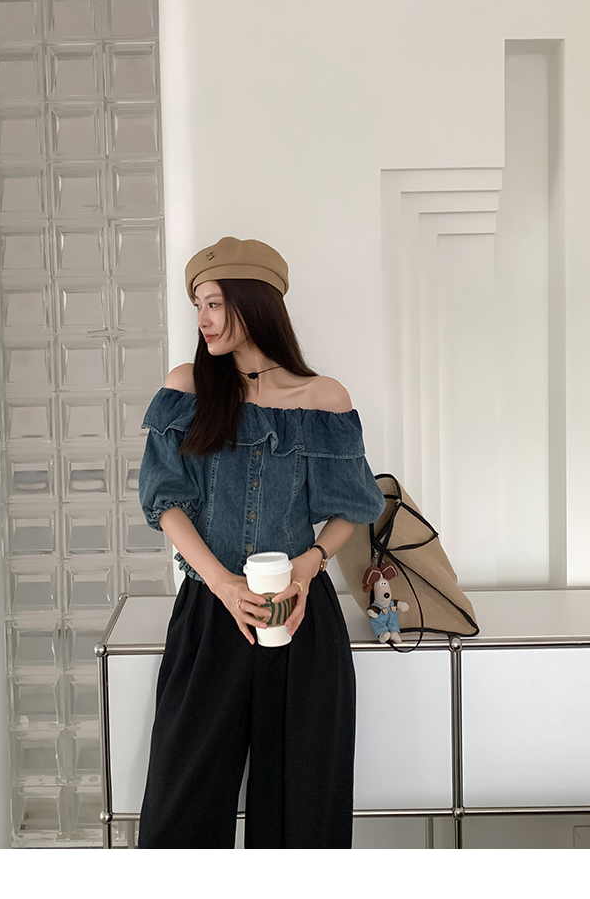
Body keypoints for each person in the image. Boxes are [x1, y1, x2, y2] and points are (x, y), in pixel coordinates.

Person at [137, 236, 386, 848]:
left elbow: (354, 508)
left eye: (215, 303)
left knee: (304, 815)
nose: (203, 319)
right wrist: (223, 584)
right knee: (181, 812)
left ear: (255, 304)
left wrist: (309, 564)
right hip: (209, 612)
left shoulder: (322, 399)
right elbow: (165, 502)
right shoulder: (188, 387)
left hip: (300, 618)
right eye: (198, 305)